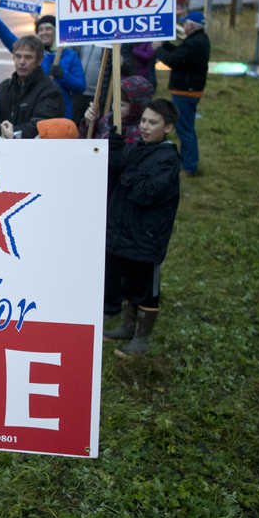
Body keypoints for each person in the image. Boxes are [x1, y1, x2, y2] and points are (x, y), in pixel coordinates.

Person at [102, 98, 181, 356]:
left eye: (153, 122)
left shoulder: (167, 159)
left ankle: (142, 340)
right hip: (124, 232)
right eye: (143, 121)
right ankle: (127, 327)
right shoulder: (137, 148)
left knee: (145, 289)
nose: (145, 127)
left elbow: (146, 193)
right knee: (127, 282)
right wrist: (113, 149)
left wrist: (127, 171)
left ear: (167, 127)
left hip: (147, 237)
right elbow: (116, 169)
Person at [0, 8, 86, 121]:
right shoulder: (32, 54)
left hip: (61, 116)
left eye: (48, 28)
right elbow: (7, 36)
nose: (44, 32)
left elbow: (81, 87)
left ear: (57, 31)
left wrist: (63, 76)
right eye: (40, 29)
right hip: (34, 114)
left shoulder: (70, 55)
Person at [0, 34, 65, 139]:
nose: (21, 62)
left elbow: (41, 127)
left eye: (28, 57)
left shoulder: (50, 91)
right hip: (3, 152)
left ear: (39, 60)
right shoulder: (5, 86)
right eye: (18, 56)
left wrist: (2, 132)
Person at [154, 10, 210, 176]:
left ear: (191, 26)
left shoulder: (195, 43)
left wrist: (158, 49)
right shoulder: (197, 40)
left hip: (186, 92)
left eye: (185, 23)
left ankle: (189, 166)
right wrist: (165, 44)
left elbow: (173, 60)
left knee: (185, 129)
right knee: (185, 127)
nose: (183, 25)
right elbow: (179, 52)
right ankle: (188, 163)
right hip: (188, 91)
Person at [79, 75, 153, 143]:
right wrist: (89, 123)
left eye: (121, 105)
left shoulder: (140, 133)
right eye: (114, 101)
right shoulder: (107, 119)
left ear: (136, 108)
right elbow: (86, 144)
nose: (115, 107)